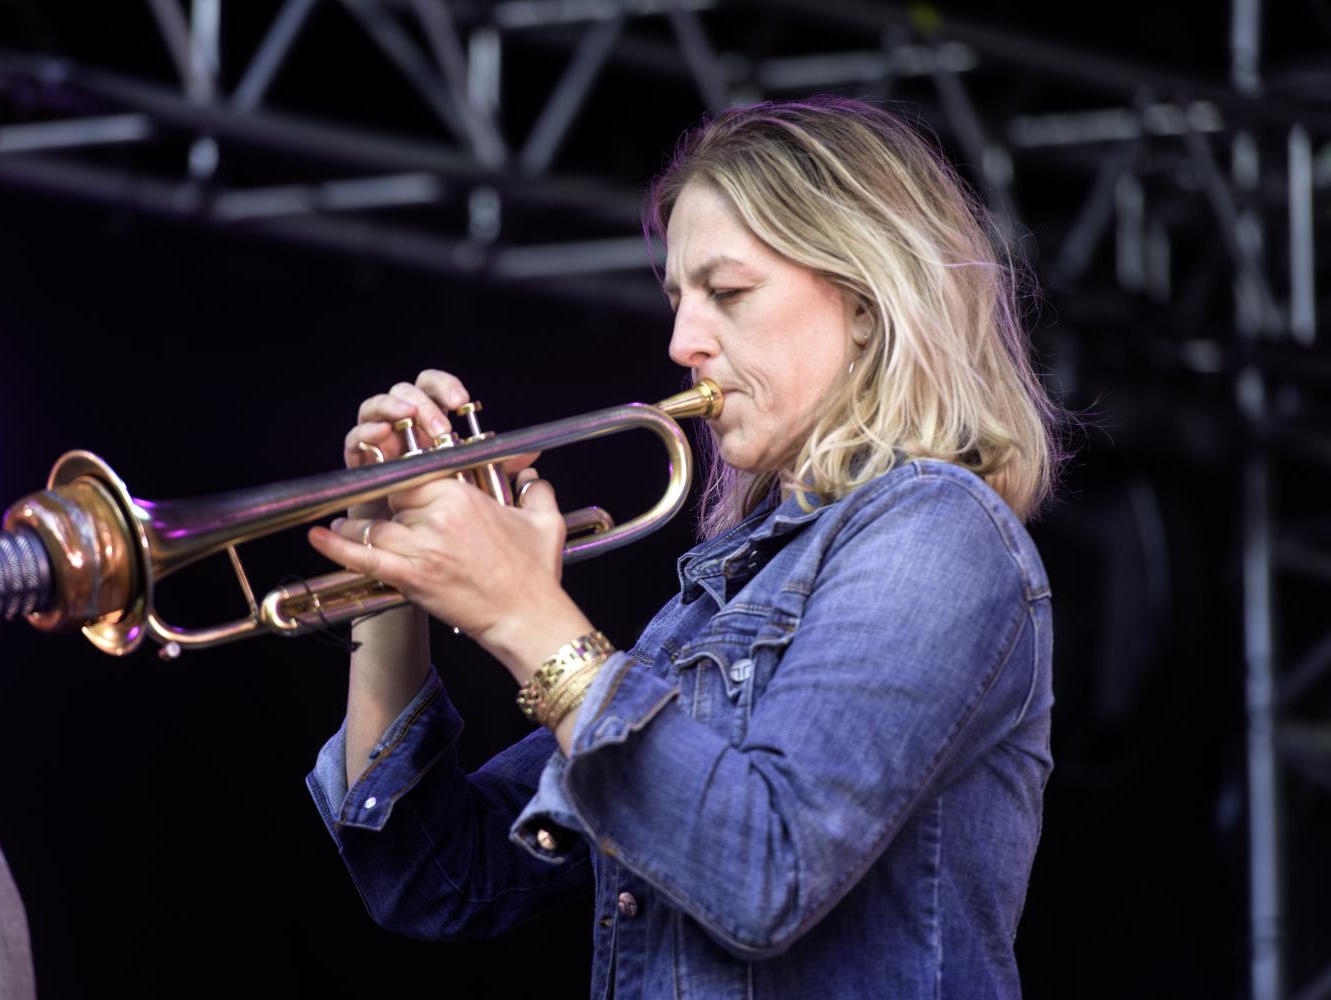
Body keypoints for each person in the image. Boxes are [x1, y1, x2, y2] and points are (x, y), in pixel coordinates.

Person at [305, 95, 1062, 999]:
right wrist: (394, 571)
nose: (681, 342)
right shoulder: (708, 610)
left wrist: (522, 612)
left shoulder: (939, 532)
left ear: (865, 302)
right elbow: (441, 880)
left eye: (728, 293)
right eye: (677, 298)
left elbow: (766, 873)